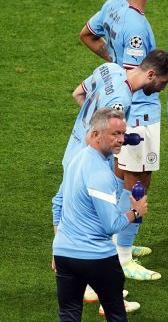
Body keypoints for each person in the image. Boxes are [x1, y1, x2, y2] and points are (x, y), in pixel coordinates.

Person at [80, 0, 168, 280]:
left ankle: (118, 240)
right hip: (138, 114)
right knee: (138, 182)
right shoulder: (137, 28)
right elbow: (137, 73)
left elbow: (87, 35)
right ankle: (123, 256)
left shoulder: (112, 6)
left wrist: (111, 61)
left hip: (124, 108)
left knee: (119, 178)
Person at [52, 50, 168, 309]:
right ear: (151, 74)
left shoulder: (110, 69)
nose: (163, 88)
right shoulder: (122, 101)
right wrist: (122, 141)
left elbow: (79, 94)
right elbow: (106, 135)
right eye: (163, 82)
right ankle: (106, 294)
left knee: (62, 205)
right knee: (99, 221)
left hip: (72, 150)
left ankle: (70, 270)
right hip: (91, 161)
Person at [53, 108, 148, 322]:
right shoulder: (99, 173)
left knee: (68, 314)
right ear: (96, 134)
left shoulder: (75, 160)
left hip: (65, 255)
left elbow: (57, 203)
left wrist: (57, 247)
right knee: (115, 314)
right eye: (115, 134)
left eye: (123, 134)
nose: (121, 140)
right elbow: (111, 225)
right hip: (97, 258)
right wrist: (135, 212)